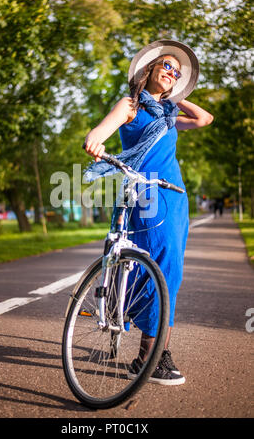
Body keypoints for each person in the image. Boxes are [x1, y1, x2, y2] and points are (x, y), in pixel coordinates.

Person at [83, 39, 214, 385]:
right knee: (153, 266)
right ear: (149, 70)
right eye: (165, 66)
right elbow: (102, 129)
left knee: (170, 270)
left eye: (176, 71)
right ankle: (151, 355)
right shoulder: (130, 105)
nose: (171, 72)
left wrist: (177, 93)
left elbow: (204, 119)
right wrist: (95, 139)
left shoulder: (170, 116)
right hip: (144, 194)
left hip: (174, 197)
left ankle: (152, 355)